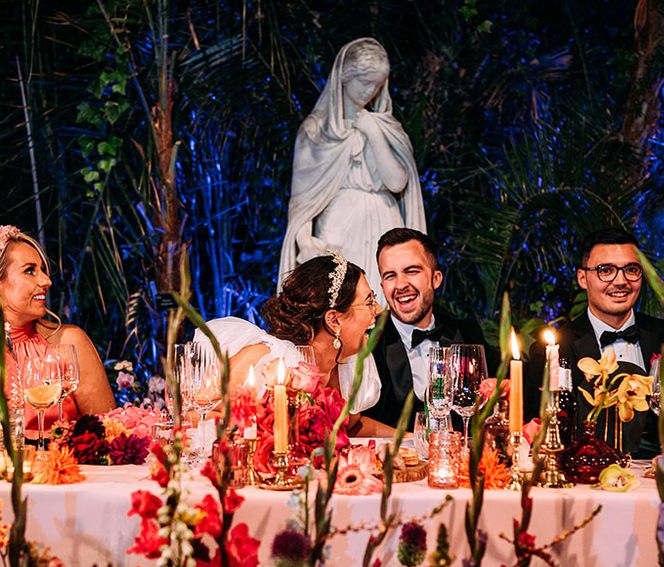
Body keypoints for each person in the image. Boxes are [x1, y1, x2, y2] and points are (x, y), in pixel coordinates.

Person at [277, 37, 426, 297]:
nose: (371, 91)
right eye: (365, 82)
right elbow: (303, 201)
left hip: (385, 220)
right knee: (344, 301)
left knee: (385, 298)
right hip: (338, 227)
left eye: (378, 85)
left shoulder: (387, 128)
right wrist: (305, 241)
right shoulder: (316, 131)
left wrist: (373, 131)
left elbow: (397, 182)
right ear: (345, 78)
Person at [0, 225, 115, 433]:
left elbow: (109, 433)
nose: (47, 281)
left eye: (43, 270)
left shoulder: (69, 343)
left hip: (66, 465)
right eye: (30, 271)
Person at [196, 252, 393, 437]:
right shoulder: (267, 361)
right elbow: (194, 413)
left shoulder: (347, 365)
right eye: (369, 302)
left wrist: (410, 439)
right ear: (333, 320)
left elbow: (351, 427)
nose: (377, 309)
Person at [525, 228, 664, 457]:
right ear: (582, 278)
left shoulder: (661, 336)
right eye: (605, 270)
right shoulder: (551, 350)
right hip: (584, 483)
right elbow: (535, 430)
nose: (621, 281)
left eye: (631, 270)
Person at [364, 228, 497, 429]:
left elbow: (505, 385)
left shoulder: (466, 332)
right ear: (383, 287)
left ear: (436, 279)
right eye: (390, 275)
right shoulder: (367, 342)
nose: (401, 285)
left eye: (411, 271)